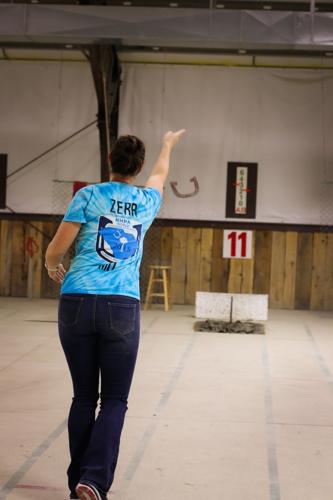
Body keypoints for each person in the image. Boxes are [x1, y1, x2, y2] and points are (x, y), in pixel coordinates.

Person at [45, 129, 185, 500]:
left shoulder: (87, 195)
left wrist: (50, 264)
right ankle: (92, 481)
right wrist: (167, 144)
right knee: (115, 400)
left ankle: (79, 478)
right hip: (120, 306)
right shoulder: (145, 201)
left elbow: (59, 246)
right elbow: (160, 175)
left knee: (83, 398)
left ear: (110, 162)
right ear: (137, 168)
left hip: (76, 301)